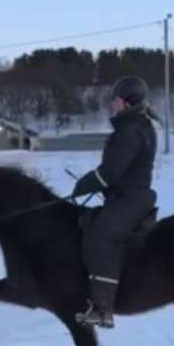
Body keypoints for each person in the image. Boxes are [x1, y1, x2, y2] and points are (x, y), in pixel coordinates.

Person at [70, 75, 158, 328]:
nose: (112, 104)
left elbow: (110, 172)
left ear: (128, 102)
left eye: (116, 100)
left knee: (102, 236)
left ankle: (103, 308)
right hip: (125, 196)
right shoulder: (134, 126)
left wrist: (85, 183)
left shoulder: (131, 130)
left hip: (131, 199)